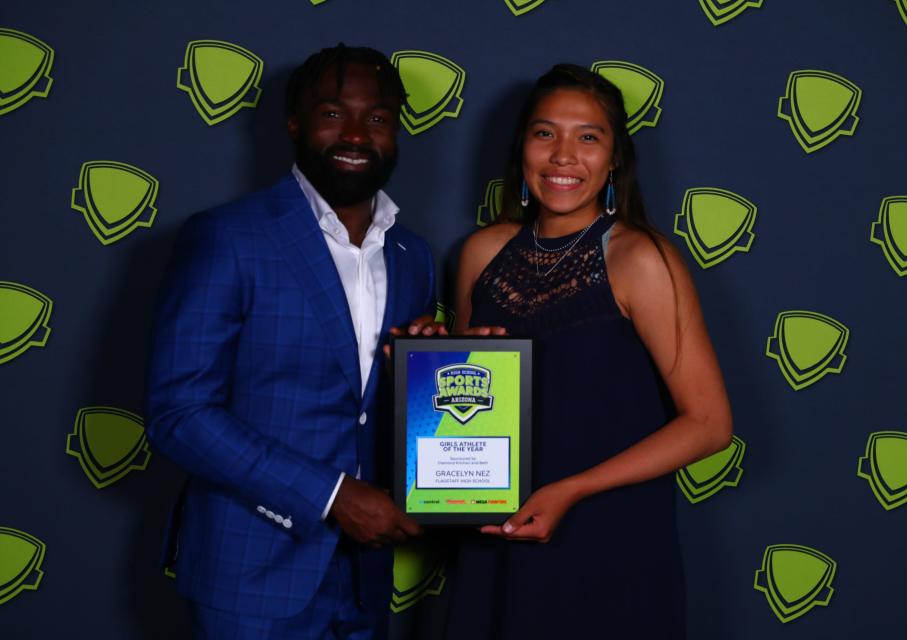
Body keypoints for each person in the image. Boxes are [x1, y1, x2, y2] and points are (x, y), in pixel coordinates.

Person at [146, 44, 442, 639]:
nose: (356, 134)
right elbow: (179, 413)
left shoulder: (414, 256)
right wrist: (332, 497)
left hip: (364, 578)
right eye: (333, 114)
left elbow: (375, 412)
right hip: (251, 574)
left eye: (378, 118)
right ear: (294, 123)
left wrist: (429, 375)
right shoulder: (228, 238)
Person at [445, 64, 733, 639]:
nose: (563, 155)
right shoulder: (481, 253)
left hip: (607, 540)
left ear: (614, 159)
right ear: (522, 146)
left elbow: (709, 424)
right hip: (496, 538)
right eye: (545, 132)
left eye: (588, 137)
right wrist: (421, 363)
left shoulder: (641, 258)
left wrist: (572, 490)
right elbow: (457, 400)